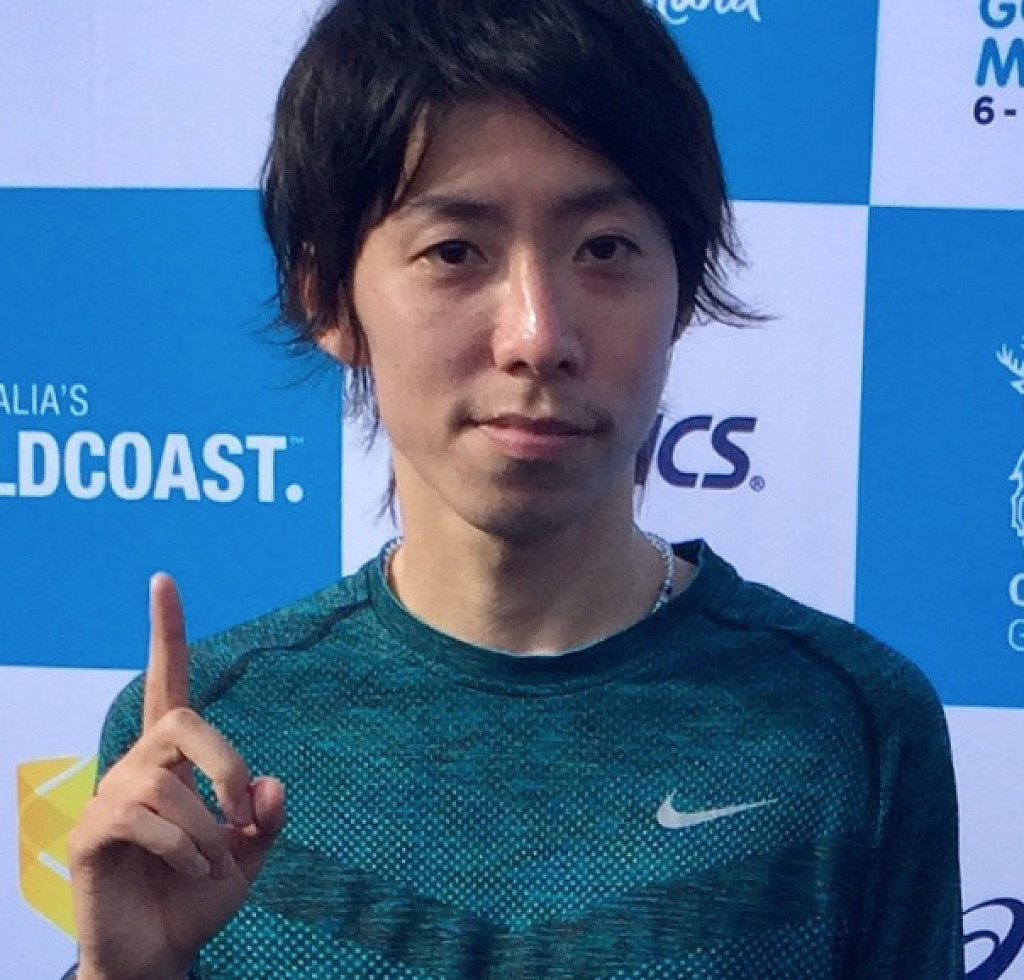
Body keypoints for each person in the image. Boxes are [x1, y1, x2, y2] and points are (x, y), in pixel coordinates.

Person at [66, 0, 964, 977]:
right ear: (327, 299)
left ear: (683, 284)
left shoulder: (850, 728)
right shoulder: (200, 738)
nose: (538, 334)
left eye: (604, 248)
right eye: (456, 251)